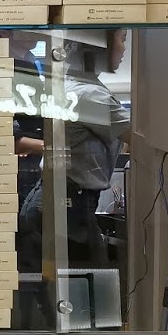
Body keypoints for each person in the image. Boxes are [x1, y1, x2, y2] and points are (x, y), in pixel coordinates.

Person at [16, 29, 130, 273]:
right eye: (122, 39)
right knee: (90, 293)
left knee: (64, 295)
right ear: (99, 46)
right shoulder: (88, 94)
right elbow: (143, 138)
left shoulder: (73, 85)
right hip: (70, 207)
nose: (124, 48)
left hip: (56, 201)